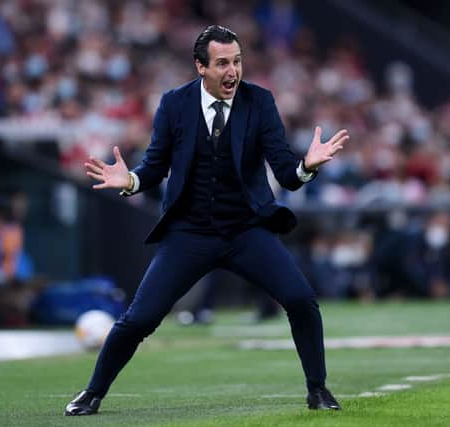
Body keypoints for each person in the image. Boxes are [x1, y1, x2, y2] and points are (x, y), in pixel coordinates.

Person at [67, 25, 349, 416]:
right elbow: (155, 166)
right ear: (200, 66)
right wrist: (129, 180)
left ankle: (318, 389)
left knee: (301, 300)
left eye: (237, 61)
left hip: (247, 228)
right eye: (222, 63)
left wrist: (306, 166)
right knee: (140, 319)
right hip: (190, 231)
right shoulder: (174, 104)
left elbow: (286, 173)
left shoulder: (260, 102)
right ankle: (92, 392)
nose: (232, 71)